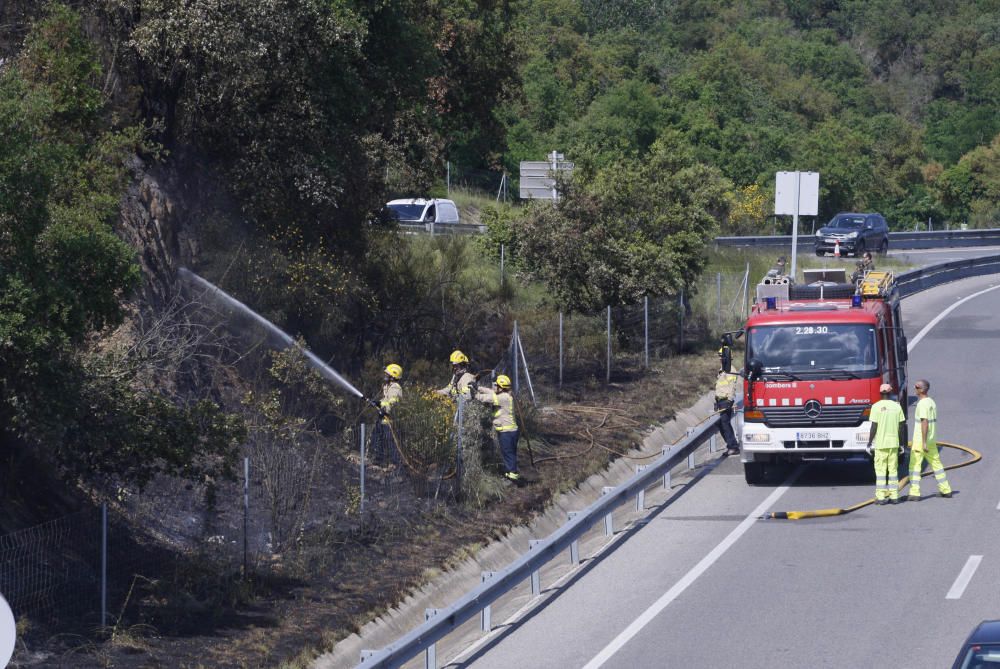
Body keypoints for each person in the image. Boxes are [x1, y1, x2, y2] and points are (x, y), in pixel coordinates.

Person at [907, 379, 953, 501]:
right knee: (936, 464)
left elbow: (924, 423)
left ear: (921, 389)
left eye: (916, 386)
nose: (914, 388)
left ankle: (914, 493)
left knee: (915, 466)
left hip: (921, 441)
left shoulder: (922, 404)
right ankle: (946, 489)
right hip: (932, 440)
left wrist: (923, 442)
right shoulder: (931, 402)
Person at [474, 374, 520, 481]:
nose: (494, 386)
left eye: (496, 385)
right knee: (510, 452)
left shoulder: (502, 397)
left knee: (507, 452)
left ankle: (512, 476)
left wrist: (475, 394)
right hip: (511, 431)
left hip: (507, 432)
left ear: (501, 387)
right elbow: (491, 391)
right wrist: (478, 387)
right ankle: (511, 471)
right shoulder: (504, 394)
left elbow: (488, 398)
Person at [866, 383, 905, 504]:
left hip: (881, 444)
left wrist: (869, 442)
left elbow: (874, 426)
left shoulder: (876, 407)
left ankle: (881, 497)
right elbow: (901, 426)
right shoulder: (897, 406)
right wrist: (901, 443)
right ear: (890, 393)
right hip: (893, 444)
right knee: (893, 470)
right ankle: (894, 496)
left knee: (881, 471)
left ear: (880, 393)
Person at [371, 364, 403, 465]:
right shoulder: (387, 386)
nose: (385, 375)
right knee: (377, 438)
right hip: (383, 419)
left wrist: (385, 410)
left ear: (393, 376)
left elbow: (393, 403)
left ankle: (397, 465)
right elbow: (386, 400)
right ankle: (379, 460)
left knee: (391, 443)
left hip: (389, 420)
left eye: (387, 373)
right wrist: (378, 402)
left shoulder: (395, 388)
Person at [715, 348, 741, 456]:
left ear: (727, 357)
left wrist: (729, 400)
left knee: (725, 424)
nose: (720, 358)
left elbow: (732, 386)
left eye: (721, 356)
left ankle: (733, 447)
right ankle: (731, 445)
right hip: (720, 401)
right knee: (721, 424)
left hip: (726, 401)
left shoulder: (730, 369)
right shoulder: (723, 369)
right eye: (719, 356)